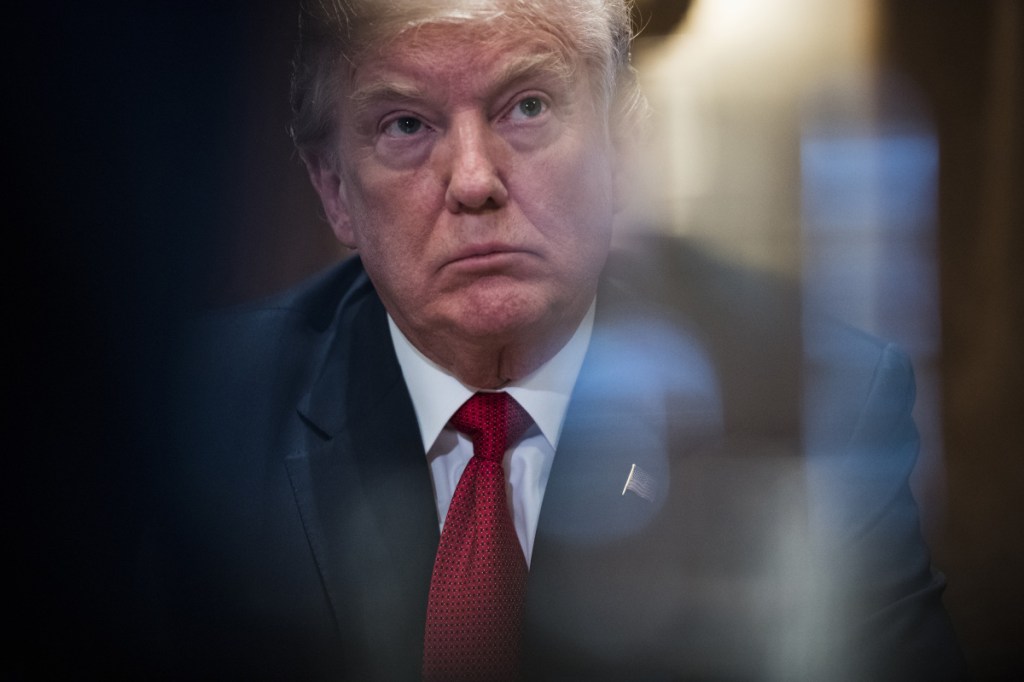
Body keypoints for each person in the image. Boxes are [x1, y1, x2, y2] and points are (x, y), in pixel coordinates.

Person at [155, 0, 964, 679]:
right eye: (406, 124)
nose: (474, 181)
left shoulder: (818, 396)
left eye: (528, 107)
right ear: (332, 188)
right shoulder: (209, 407)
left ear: (621, 143)